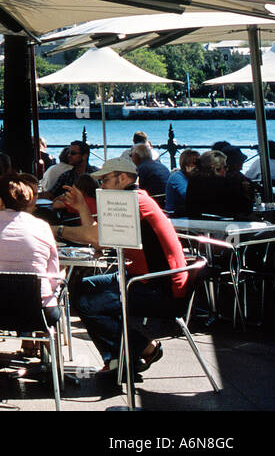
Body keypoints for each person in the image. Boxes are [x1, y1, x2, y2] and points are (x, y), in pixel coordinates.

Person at [58, 158, 188, 377]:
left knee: (86, 300)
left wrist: (55, 230)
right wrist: (81, 206)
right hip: (150, 279)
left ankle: (136, 351)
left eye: (106, 180)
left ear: (123, 178)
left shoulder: (132, 202)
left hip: (159, 287)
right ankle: (123, 357)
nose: (102, 187)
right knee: (84, 288)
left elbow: (95, 238)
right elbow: (98, 236)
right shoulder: (137, 199)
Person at [0, 173, 62, 327]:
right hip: (39, 309)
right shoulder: (42, 226)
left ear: (0, 200)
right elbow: (53, 274)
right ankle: (46, 347)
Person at [185, 150, 254, 218]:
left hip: (197, 222)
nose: (226, 170)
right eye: (225, 167)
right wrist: (245, 191)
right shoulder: (227, 184)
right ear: (215, 168)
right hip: (224, 223)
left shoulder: (193, 182)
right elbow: (246, 209)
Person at [129, 141, 170, 205]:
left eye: (131, 155)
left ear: (136, 156)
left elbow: (138, 191)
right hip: (166, 200)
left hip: (154, 201)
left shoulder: (142, 168)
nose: (130, 158)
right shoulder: (161, 166)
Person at [164, 149, 200, 218]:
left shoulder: (188, 176)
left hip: (186, 213)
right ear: (187, 165)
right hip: (176, 215)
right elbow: (188, 196)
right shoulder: (177, 177)